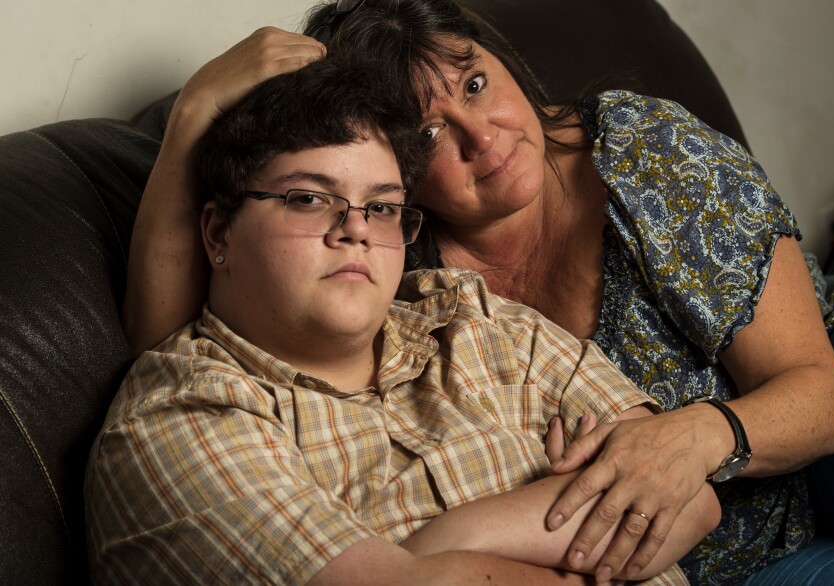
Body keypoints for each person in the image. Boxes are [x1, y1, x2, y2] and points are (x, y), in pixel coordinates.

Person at [121, 1, 834, 583]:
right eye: (428, 135)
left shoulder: (647, 157)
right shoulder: (396, 257)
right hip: (700, 559)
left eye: (477, 84)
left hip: (811, 433)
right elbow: (175, 349)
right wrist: (192, 119)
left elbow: (821, 398)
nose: (483, 135)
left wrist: (696, 435)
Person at [86, 57, 722, 585]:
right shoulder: (182, 417)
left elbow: (692, 498)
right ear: (220, 232)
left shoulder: (476, 319)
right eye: (309, 198)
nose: (357, 229)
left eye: (384, 207)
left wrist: (455, 541)